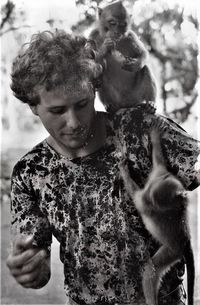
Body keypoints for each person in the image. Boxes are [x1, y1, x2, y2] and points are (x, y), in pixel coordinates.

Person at [6, 30, 200, 305]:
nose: (74, 122)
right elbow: (38, 267)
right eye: (58, 110)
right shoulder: (32, 172)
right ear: (34, 106)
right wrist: (31, 267)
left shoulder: (139, 131)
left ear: (94, 90)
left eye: (82, 104)